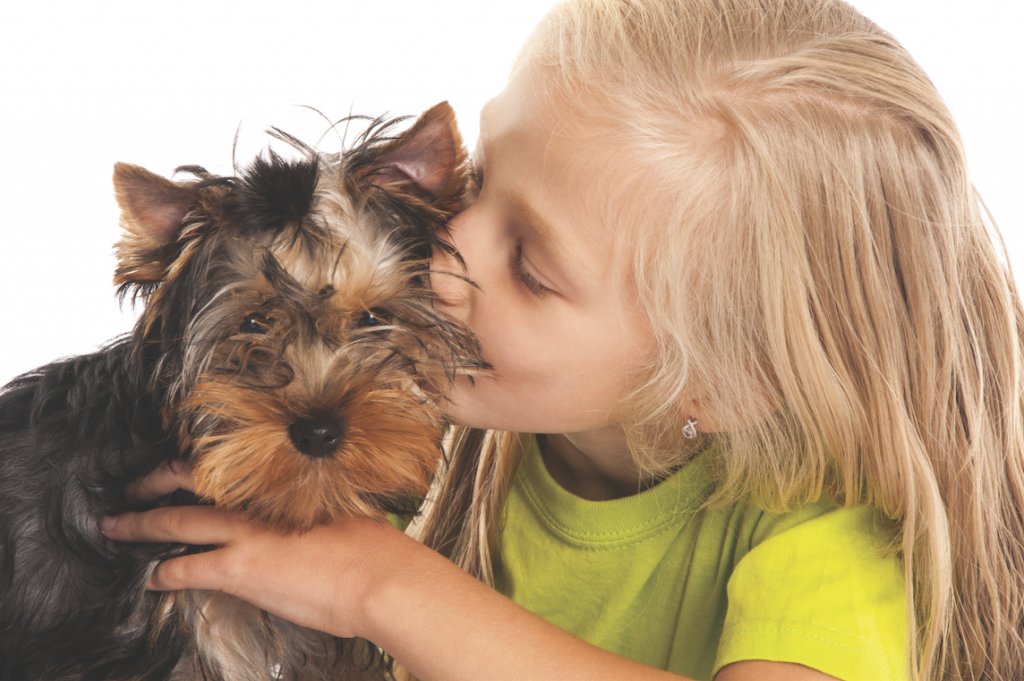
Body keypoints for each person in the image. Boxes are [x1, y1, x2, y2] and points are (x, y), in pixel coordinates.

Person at [101, 0, 1024, 679]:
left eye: (533, 265)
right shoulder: (419, 434)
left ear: (722, 383)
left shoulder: (821, 521)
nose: (449, 243)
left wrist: (389, 589)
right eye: (479, 179)